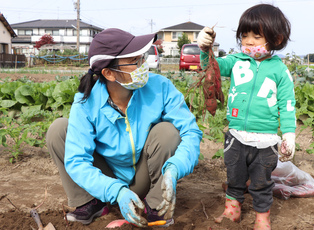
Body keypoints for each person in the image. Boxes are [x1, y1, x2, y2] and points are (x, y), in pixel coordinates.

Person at [46, 28, 202, 228]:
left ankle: (155, 205)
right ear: (109, 73)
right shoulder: (85, 103)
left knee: (167, 132)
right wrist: (116, 190)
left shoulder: (160, 87)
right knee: (59, 129)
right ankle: (89, 201)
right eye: (135, 61)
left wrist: (174, 168)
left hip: (142, 176)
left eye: (142, 58)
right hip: (106, 175)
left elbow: (191, 132)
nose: (143, 66)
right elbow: (77, 161)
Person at [197, 4, 296, 230]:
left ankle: (262, 219)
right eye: (244, 35)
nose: (248, 41)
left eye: (256, 36)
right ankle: (232, 212)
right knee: (235, 178)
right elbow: (209, 68)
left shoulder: (279, 71)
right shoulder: (236, 61)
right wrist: (204, 49)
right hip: (236, 136)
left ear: (276, 38)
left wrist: (289, 136)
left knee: (262, 183)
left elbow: (288, 105)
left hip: (267, 140)